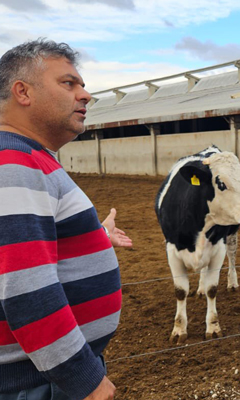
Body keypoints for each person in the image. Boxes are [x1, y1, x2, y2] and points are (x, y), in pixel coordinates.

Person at [0, 39, 132, 400]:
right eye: (69, 83)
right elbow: (27, 290)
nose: (86, 94)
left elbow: (20, 255)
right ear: (22, 92)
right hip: (40, 382)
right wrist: (84, 379)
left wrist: (94, 238)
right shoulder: (15, 163)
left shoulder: (27, 159)